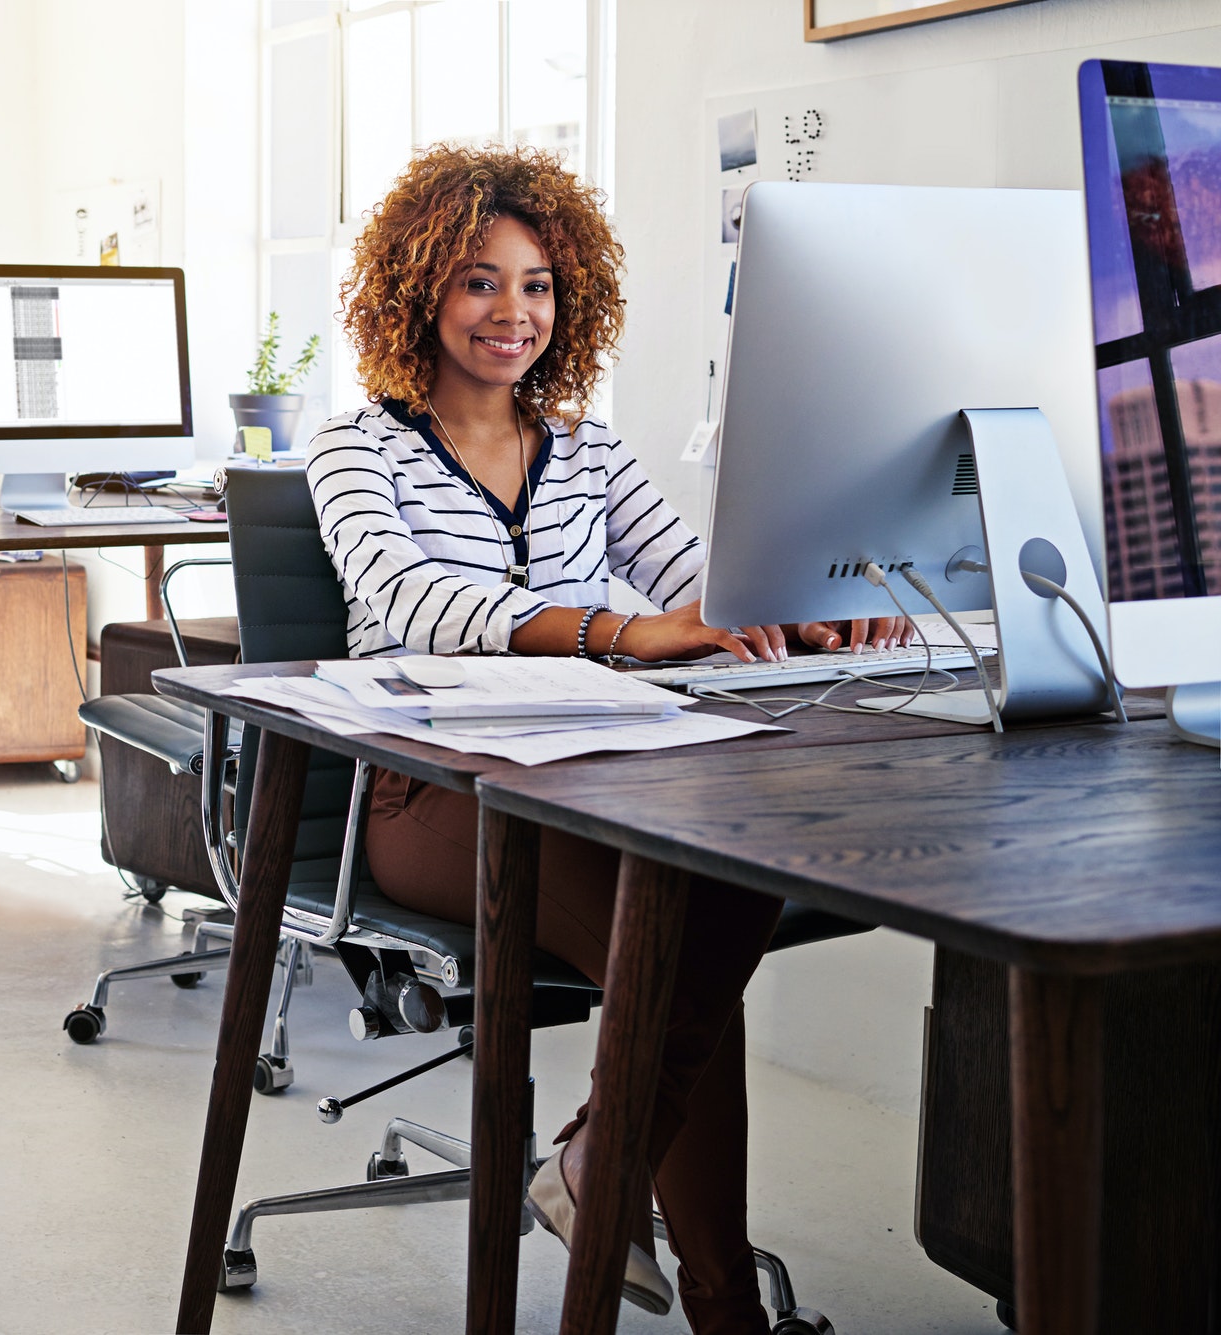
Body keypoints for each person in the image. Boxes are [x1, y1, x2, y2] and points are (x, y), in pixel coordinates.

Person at [306, 145, 913, 1333]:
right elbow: (424, 606)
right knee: (675, 936)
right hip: (434, 799)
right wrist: (622, 633)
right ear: (416, 290)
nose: (510, 313)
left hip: (602, 778)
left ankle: (594, 1164)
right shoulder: (354, 448)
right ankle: (712, 1297)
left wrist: (800, 595)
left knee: (709, 891)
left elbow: (703, 581)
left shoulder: (587, 448)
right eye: (479, 281)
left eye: (535, 285)